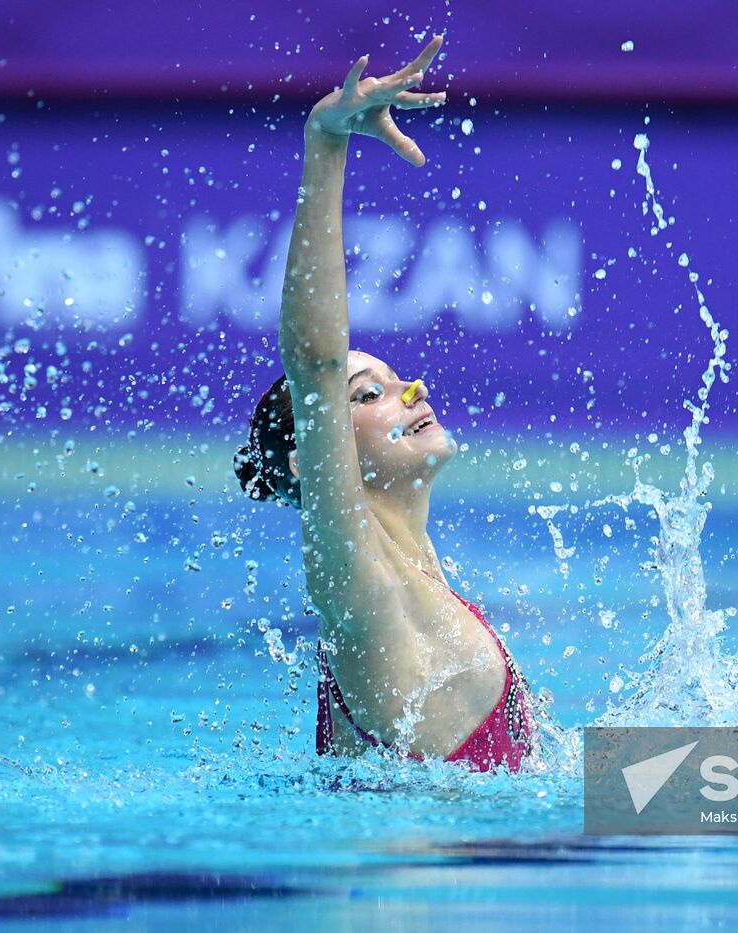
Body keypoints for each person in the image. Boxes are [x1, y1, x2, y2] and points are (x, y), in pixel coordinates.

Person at [232, 36, 538, 773]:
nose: (413, 390)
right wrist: (328, 142)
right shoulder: (361, 585)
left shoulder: (421, 579)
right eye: (367, 393)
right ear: (316, 453)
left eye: (398, 377)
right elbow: (315, 362)